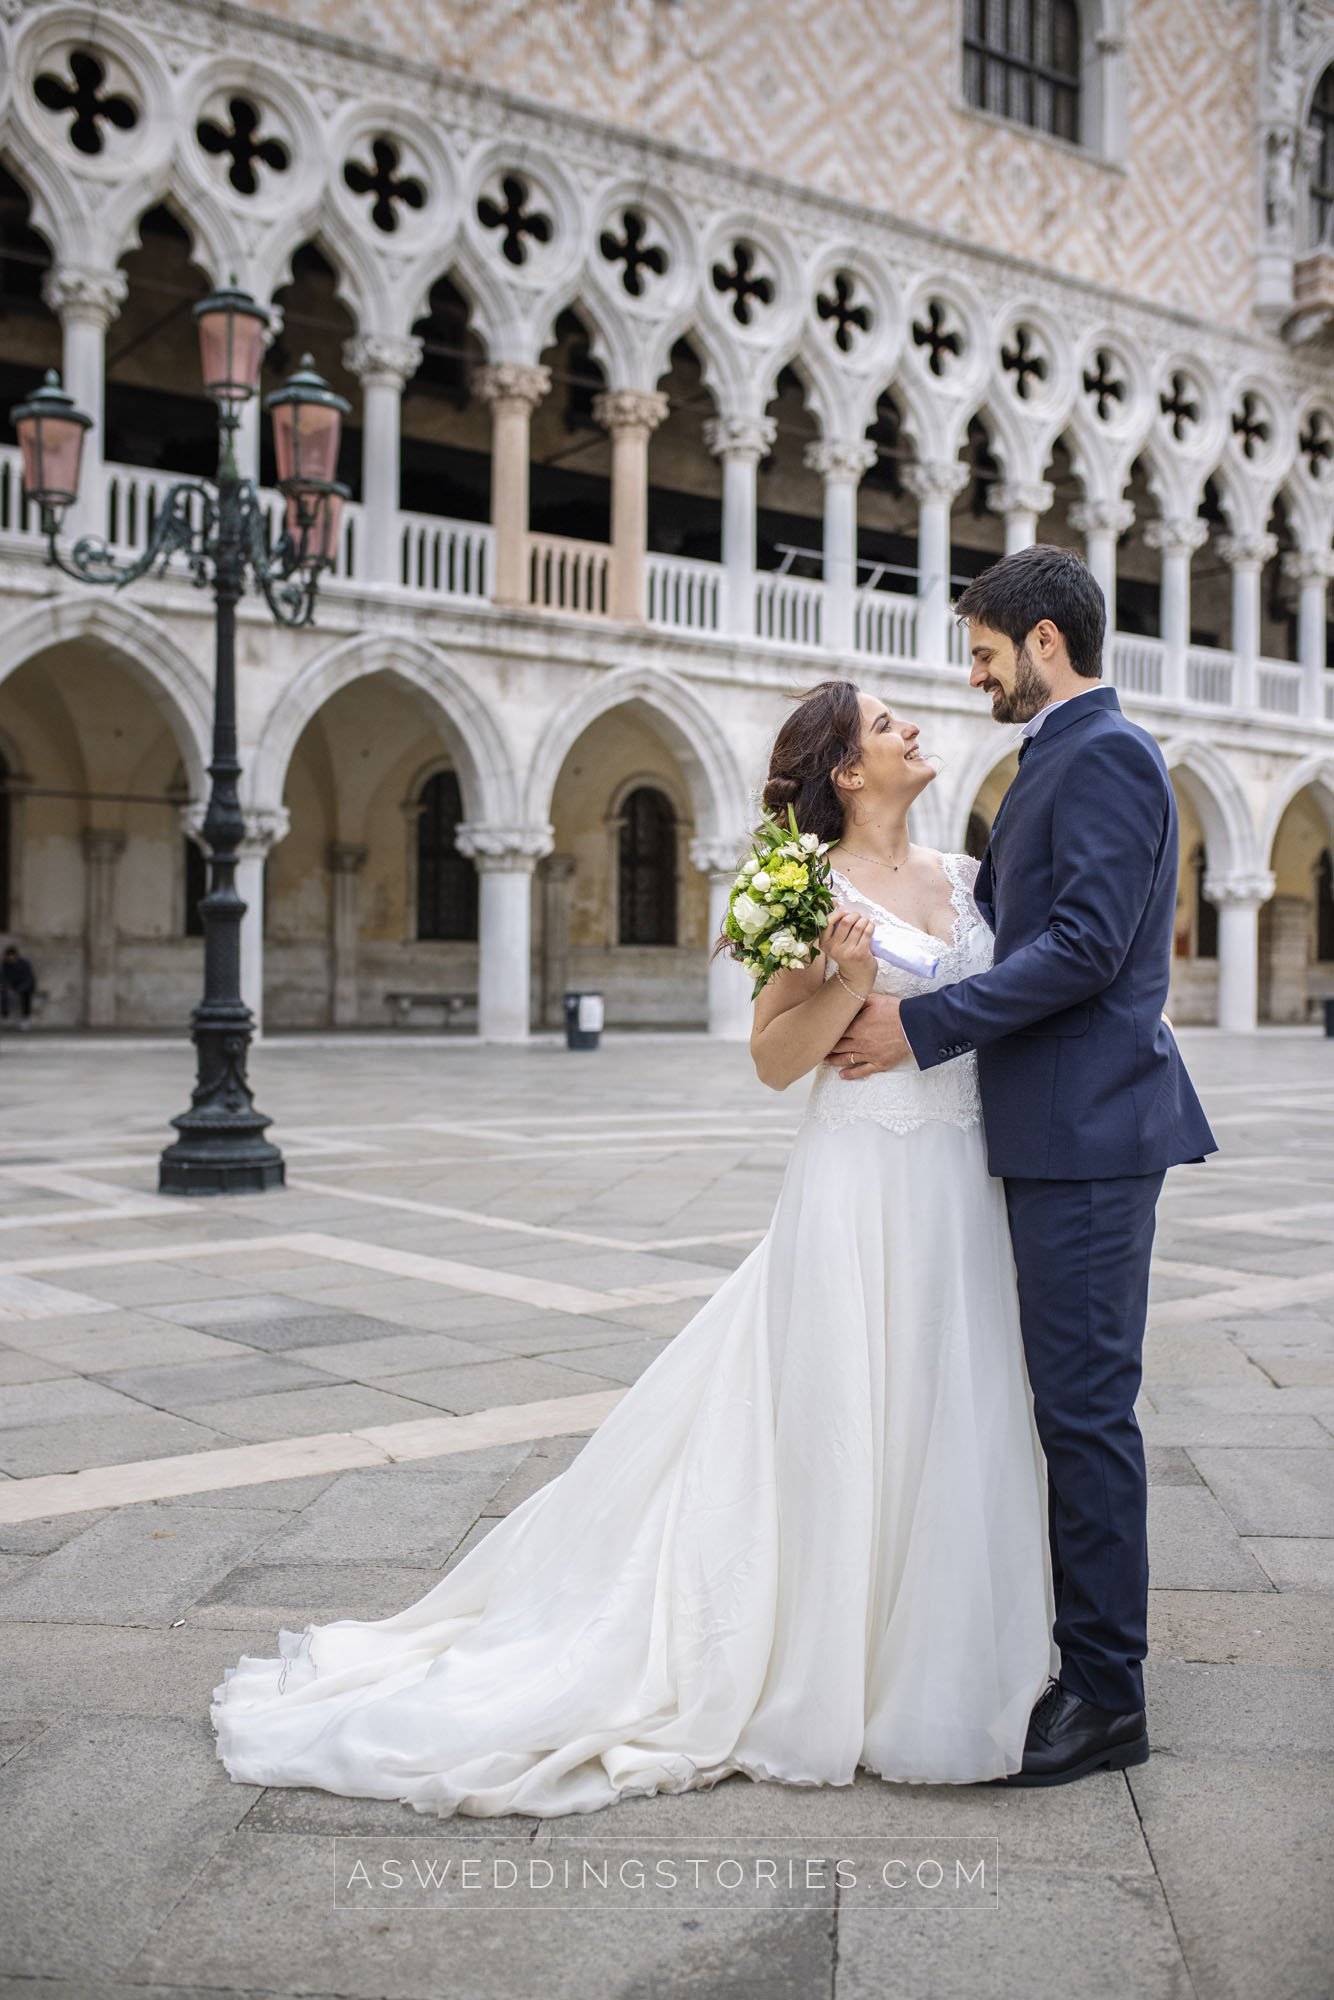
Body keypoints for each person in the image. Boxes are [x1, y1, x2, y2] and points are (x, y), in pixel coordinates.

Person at [212, 680, 1061, 1819]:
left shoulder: (968, 878)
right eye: (884, 726)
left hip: (956, 1178)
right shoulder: (799, 883)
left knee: (945, 1400)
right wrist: (851, 980)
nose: (911, 728)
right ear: (847, 774)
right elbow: (771, 1058)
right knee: (842, 1405)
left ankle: (935, 1651)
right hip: (857, 1176)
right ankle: (822, 1658)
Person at [828, 544, 1217, 1787]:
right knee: (1061, 1403)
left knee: (1084, 1410)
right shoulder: (1059, 752)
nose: (976, 675)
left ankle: (1106, 1689)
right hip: (1055, 1126)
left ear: (1044, 641)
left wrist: (920, 1024)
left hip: (1091, 1132)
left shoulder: (1101, 751)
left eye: (985, 652)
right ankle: (1071, 1652)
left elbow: (1090, 947)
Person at [1, 945, 35, 1028]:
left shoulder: (24, 964)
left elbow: (29, 979)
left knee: (26, 995)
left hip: (24, 986)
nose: (9, 959)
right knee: (3, 992)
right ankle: (5, 1015)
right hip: (12, 986)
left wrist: (19, 989)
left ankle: (25, 1018)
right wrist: (8, 987)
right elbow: (5, 978)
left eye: (11, 957)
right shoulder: (5, 965)